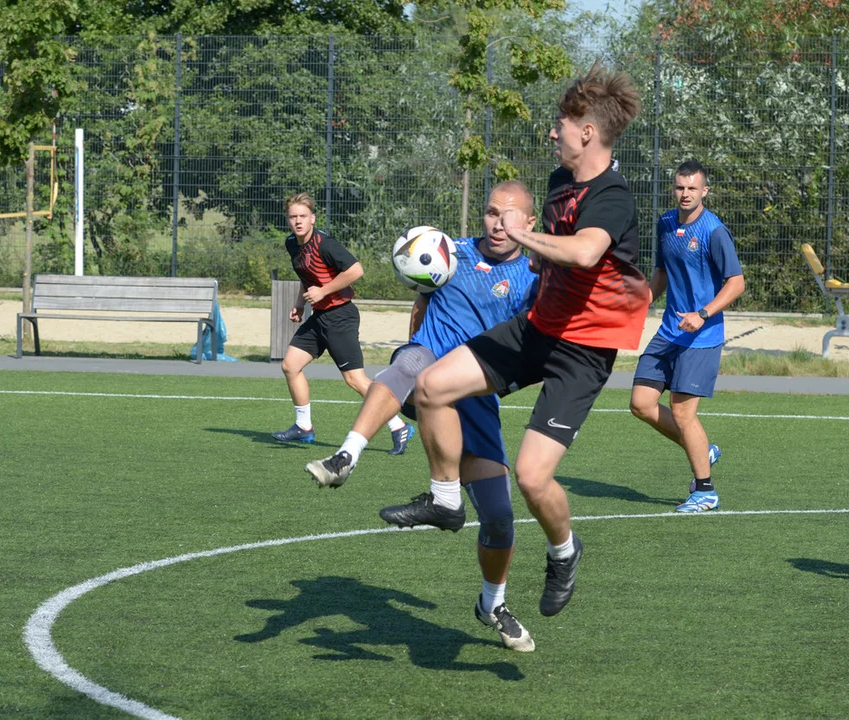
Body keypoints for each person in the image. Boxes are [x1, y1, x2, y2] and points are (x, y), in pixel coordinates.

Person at [380, 62, 647, 619]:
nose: (552, 133)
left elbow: (584, 252)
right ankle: (447, 499)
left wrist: (523, 232)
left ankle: (564, 551)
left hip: (583, 350)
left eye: (560, 125)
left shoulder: (613, 196)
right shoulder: (556, 183)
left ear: (587, 132)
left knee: (530, 475)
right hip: (536, 330)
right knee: (430, 387)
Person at [305, 181, 540, 651]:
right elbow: (422, 286)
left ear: (530, 224)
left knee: (498, 517)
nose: (497, 223)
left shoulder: (535, 281)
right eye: (491, 213)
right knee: (409, 363)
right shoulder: (446, 250)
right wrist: (419, 320)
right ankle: (346, 456)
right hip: (426, 374)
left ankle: (493, 604)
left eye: (509, 216)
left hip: (476, 400)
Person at [629, 160, 745, 512]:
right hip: (669, 332)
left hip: (702, 336)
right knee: (641, 404)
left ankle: (705, 490)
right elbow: (661, 272)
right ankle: (702, 450)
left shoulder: (714, 231)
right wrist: (645, 300)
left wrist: (703, 314)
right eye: (680, 187)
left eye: (692, 188)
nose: (685, 194)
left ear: (704, 191)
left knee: (682, 413)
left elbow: (737, 283)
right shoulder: (665, 223)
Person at [272, 193, 411, 451]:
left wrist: (323, 291)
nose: (298, 221)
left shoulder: (325, 244)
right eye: (293, 217)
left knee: (355, 380)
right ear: (288, 220)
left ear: (313, 218)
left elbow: (356, 270)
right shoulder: (292, 243)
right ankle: (303, 427)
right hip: (319, 317)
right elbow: (307, 274)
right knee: (290, 365)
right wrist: (300, 304)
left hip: (340, 316)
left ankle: (399, 426)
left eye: (303, 216)